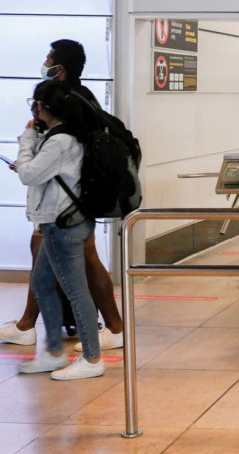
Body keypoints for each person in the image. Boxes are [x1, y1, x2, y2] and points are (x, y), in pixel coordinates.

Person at [0, 40, 124, 351]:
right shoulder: (84, 98)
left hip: (64, 206)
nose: (43, 62)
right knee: (47, 257)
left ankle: (110, 330)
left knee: (81, 261)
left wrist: (29, 150)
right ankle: (28, 325)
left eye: (49, 58)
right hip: (69, 202)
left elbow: (57, 156)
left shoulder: (66, 105)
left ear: (59, 68)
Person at [11, 80, 103, 379]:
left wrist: (26, 140)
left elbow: (29, 174)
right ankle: (53, 352)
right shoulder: (64, 135)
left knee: (76, 292)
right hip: (64, 221)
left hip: (62, 225)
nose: (33, 108)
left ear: (43, 107)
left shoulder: (60, 141)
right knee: (42, 285)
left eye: (34, 103)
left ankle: (91, 359)